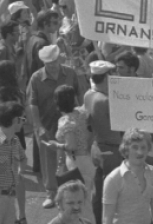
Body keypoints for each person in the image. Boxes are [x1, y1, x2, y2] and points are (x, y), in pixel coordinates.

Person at [30, 44, 82, 208]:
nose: (51, 65)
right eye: (47, 63)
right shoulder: (36, 78)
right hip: (47, 125)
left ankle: (70, 194)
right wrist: (38, 126)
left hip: (69, 126)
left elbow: (79, 96)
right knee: (48, 161)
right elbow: (33, 104)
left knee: (70, 160)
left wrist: (80, 119)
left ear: (59, 58)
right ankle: (51, 194)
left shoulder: (71, 73)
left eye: (53, 61)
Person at [83, 60, 121, 224]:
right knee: (112, 193)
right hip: (112, 149)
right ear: (106, 77)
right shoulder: (106, 101)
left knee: (98, 191)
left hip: (97, 146)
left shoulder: (88, 95)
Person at [102, 128, 153, 224]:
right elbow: (107, 218)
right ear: (126, 150)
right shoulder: (113, 179)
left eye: (143, 147)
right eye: (135, 147)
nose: (140, 152)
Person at [49, 85, 94, 211]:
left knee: (80, 200)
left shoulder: (65, 121)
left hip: (76, 162)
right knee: (88, 196)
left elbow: (71, 146)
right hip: (89, 157)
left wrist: (56, 145)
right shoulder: (82, 113)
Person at [0, 101, 26, 224]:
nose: (25, 121)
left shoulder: (15, 141)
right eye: (23, 118)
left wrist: (21, 170)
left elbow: (23, 158)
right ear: (16, 119)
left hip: (10, 197)